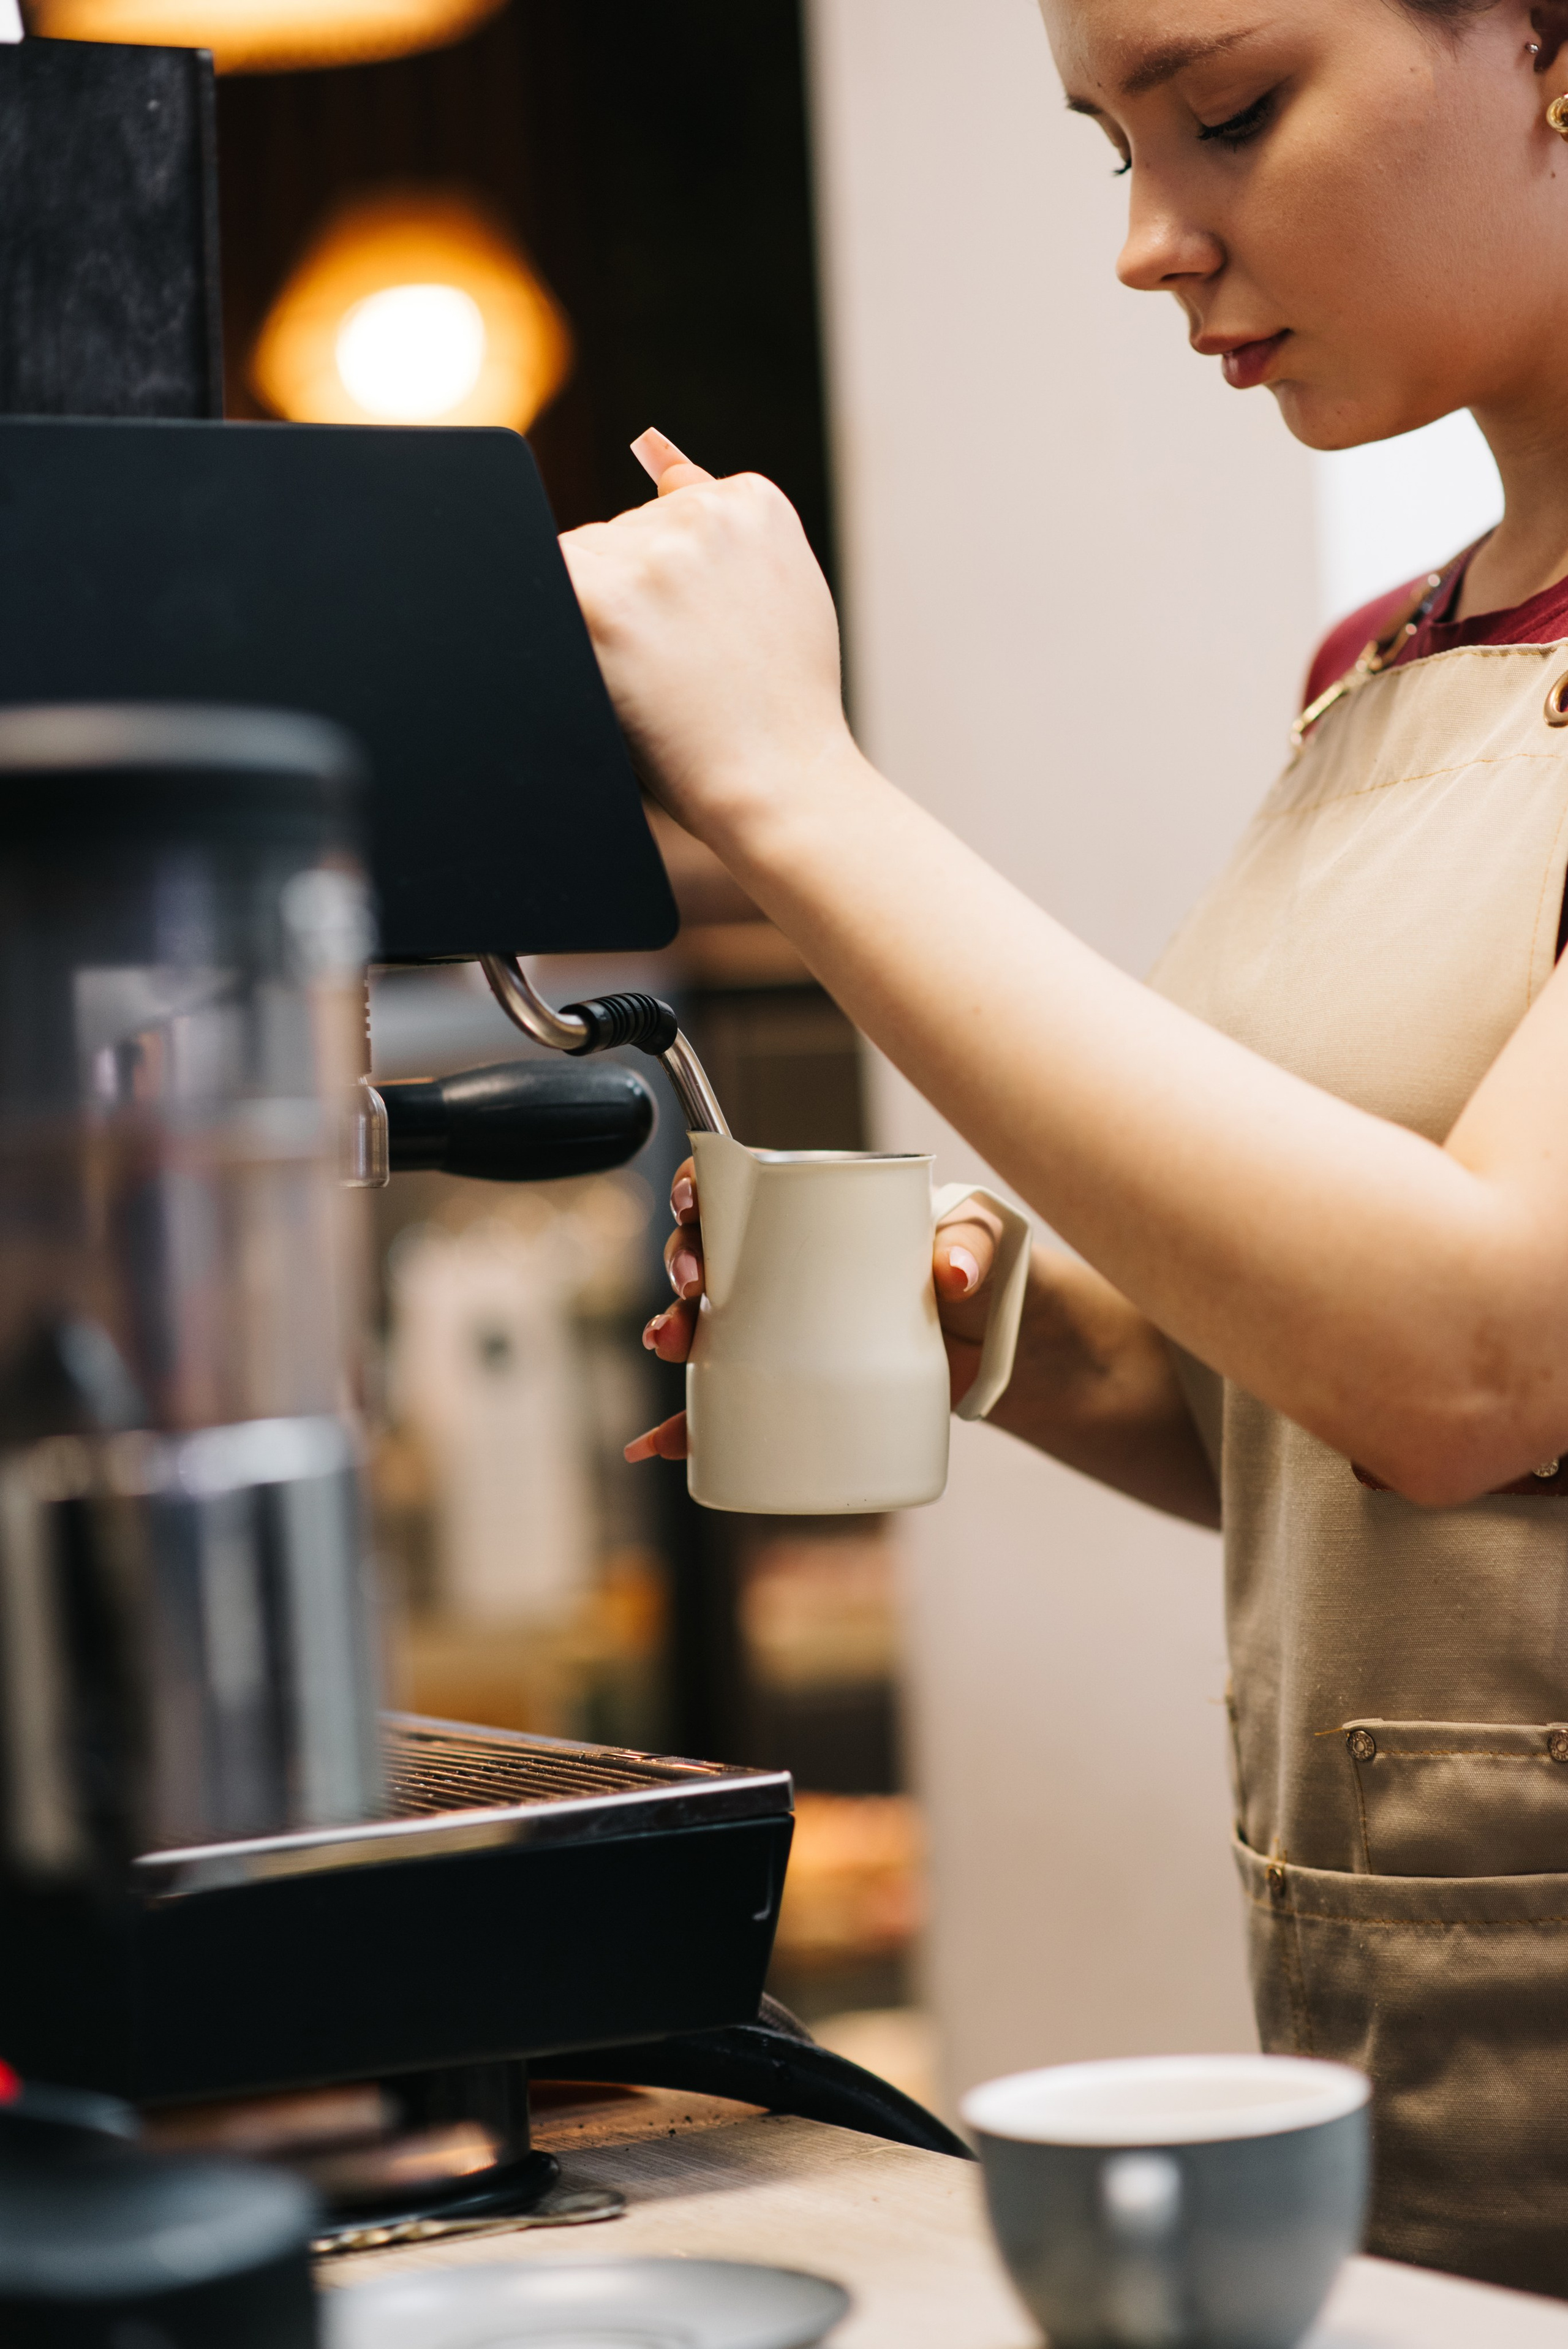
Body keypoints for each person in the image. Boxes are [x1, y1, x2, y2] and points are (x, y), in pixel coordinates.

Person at [560, 0, 1568, 2296]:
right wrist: (1003, 1323)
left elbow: (1485, 1357)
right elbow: (1311, 1399)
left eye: (1226, 114)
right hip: (1415, 2049)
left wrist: (793, 793)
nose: (1147, 238)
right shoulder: (1383, 664)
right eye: (1110, 144)